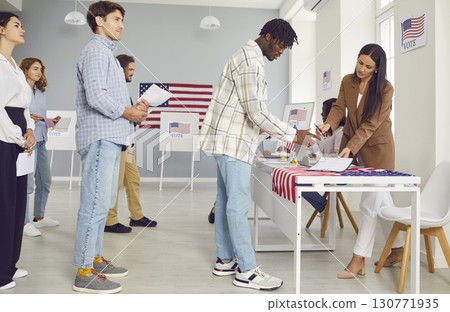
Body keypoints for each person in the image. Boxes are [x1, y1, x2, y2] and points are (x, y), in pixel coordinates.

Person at [200, 18, 320, 291]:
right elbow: (256, 112)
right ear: (267, 36)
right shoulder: (251, 62)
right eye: (281, 44)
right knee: (238, 205)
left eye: (287, 47)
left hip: (226, 141)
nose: (282, 51)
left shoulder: (244, 56)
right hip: (234, 143)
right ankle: (247, 270)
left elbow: (248, 110)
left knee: (224, 199)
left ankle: (225, 259)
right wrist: (294, 134)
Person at [72, 1, 148, 294]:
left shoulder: (106, 54)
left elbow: (110, 98)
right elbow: (95, 96)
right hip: (100, 137)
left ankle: (93, 260)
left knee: (102, 205)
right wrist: (128, 112)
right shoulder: (94, 51)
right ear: (99, 21)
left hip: (112, 137)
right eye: (117, 19)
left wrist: (134, 109)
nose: (122, 25)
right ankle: (83, 272)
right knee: (94, 204)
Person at [317, 44, 404, 279]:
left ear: (377, 69)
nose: (361, 69)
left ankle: (358, 259)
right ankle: (398, 249)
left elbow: (371, 124)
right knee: (381, 200)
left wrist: (349, 147)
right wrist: (329, 125)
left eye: (368, 66)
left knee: (370, 203)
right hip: (354, 148)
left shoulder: (386, 89)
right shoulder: (348, 81)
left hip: (379, 150)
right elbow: (338, 108)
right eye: (359, 63)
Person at [0, 12, 36, 290]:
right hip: (4, 140)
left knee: (17, 203)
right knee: (4, 204)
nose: (22, 29)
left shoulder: (13, 65)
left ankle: (8, 264)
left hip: (19, 141)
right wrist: (16, 136)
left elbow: (23, 108)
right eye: (16, 25)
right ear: (1, 30)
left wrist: (30, 131)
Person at [104, 54, 157, 234]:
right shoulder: (112, 90)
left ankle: (136, 216)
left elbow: (131, 120)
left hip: (128, 144)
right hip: (118, 144)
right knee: (115, 184)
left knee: (133, 180)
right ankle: (109, 221)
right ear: (121, 69)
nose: (133, 73)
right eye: (131, 70)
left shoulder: (123, 91)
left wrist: (139, 111)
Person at [18, 57, 60, 237]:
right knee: (27, 185)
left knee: (45, 180)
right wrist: (29, 118)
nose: (39, 72)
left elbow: (40, 117)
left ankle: (39, 218)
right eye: (35, 68)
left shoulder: (40, 91)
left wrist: (51, 122)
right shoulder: (20, 89)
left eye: (41, 69)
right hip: (27, 142)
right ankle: (24, 222)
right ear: (26, 69)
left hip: (42, 140)